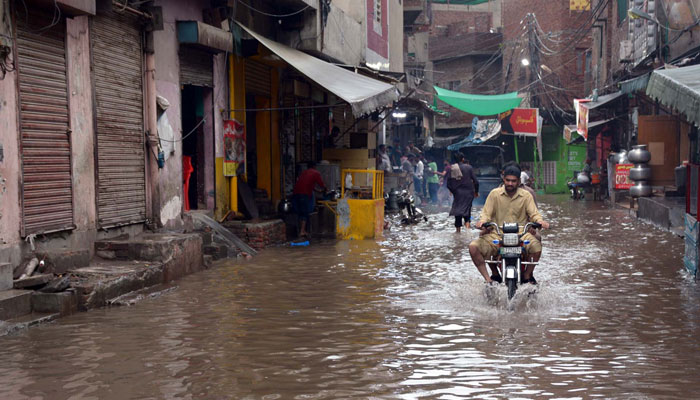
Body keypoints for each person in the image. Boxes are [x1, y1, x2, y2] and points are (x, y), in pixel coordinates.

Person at [469, 164, 550, 285]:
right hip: (497, 235)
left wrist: (540, 221)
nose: (510, 184)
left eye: (513, 181)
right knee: (473, 247)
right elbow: (486, 213)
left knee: (537, 247)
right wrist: (482, 222)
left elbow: (534, 213)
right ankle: (488, 279)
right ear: (503, 179)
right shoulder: (494, 194)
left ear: (518, 181)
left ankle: (527, 275)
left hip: (521, 235)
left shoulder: (526, 195)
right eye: (508, 180)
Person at [447, 152, 479, 233]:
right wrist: (476, 191)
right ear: (463, 159)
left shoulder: (452, 168)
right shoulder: (468, 168)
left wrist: (454, 191)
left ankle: (458, 232)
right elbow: (476, 181)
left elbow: (448, 184)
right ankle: (468, 231)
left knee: (458, 211)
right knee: (467, 209)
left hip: (458, 193)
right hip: (469, 193)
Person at [293, 161, 326, 238]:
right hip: (304, 194)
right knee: (305, 212)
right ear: (314, 166)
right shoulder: (315, 173)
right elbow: (321, 184)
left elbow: (309, 185)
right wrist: (325, 189)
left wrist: (318, 191)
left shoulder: (304, 173)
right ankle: (302, 231)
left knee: (299, 212)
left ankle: (301, 230)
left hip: (296, 194)